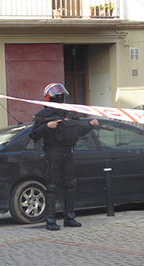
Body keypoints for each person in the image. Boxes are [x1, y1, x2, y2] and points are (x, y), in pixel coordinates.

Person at [30, 83, 99, 231]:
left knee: (71, 184)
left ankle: (69, 217)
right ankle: (50, 220)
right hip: (52, 152)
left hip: (68, 151)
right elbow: (33, 135)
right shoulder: (43, 115)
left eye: (61, 95)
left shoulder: (69, 114)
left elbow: (79, 130)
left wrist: (91, 125)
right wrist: (47, 126)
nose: (59, 97)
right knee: (52, 186)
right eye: (56, 95)